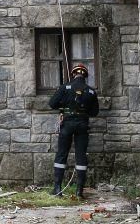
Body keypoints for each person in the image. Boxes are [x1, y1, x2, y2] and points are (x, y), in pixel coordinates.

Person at [48, 63, 100, 199]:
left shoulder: (65, 87)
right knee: (81, 155)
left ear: (73, 74)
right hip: (82, 125)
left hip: (67, 125)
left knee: (61, 154)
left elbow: (52, 104)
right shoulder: (91, 91)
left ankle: (58, 189)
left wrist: (64, 105)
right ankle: (79, 191)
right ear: (85, 76)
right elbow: (94, 112)